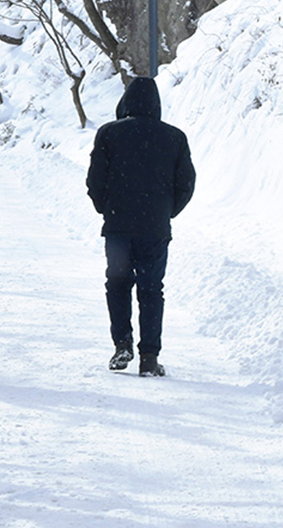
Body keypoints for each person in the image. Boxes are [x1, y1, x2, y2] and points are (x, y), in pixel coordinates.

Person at [86, 76, 196, 377]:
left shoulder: (109, 134)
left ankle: (122, 345)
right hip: (155, 229)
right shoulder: (174, 137)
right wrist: (166, 212)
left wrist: (105, 208)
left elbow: (95, 180)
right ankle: (149, 356)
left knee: (118, 283)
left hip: (119, 226)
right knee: (151, 289)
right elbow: (186, 183)